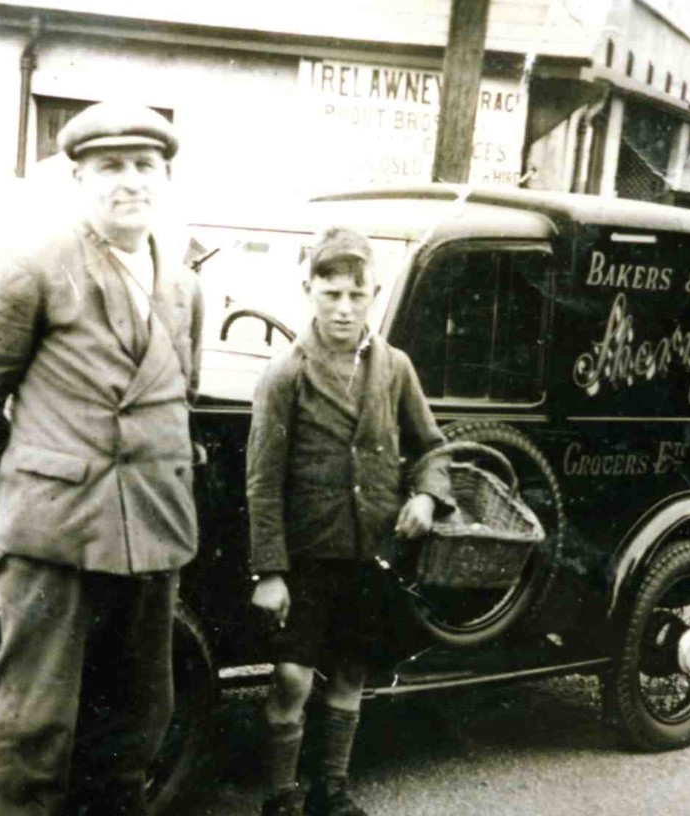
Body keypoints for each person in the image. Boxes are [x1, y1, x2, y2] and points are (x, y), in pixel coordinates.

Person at [0, 101, 204, 816]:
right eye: (110, 167)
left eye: (145, 166)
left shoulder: (181, 285)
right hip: (55, 535)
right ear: (79, 180)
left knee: (135, 726)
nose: (130, 183)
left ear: (166, 179)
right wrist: (19, 488)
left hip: (150, 531)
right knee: (35, 731)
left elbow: (176, 400)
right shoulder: (35, 266)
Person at [246, 227, 454, 816]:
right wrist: (270, 571)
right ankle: (280, 795)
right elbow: (262, 480)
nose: (343, 308)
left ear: (374, 296)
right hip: (305, 558)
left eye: (355, 297)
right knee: (290, 677)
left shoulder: (394, 368)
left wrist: (428, 498)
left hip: (370, 554)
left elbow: (433, 447)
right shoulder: (285, 374)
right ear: (308, 289)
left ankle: (330, 789)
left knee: (349, 672)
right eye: (330, 294)